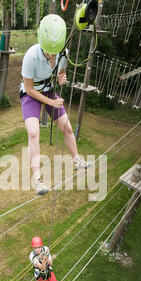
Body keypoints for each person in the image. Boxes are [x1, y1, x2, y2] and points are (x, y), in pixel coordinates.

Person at [20, 14, 92, 195]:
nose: (50, 54)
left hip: (49, 91)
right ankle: (37, 180)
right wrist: (51, 101)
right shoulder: (30, 56)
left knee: (67, 127)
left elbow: (60, 73)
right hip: (31, 93)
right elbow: (29, 89)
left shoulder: (62, 53)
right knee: (33, 132)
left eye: (53, 51)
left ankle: (77, 161)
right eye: (47, 51)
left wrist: (62, 78)